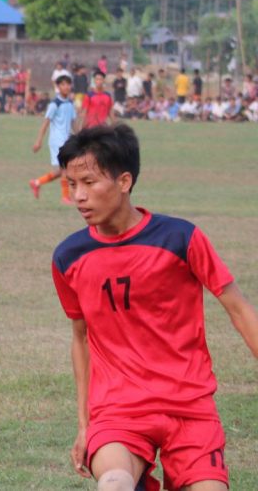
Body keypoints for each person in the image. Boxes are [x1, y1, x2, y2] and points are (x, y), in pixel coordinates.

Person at [52, 124, 258, 491]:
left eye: (89, 182)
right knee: (114, 483)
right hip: (119, 413)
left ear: (124, 181)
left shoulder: (181, 238)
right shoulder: (69, 257)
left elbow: (239, 309)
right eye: (72, 184)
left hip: (190, 409)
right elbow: (81, 340)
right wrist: (85, 426)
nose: (79, 196)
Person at [29, 74, 75, 204]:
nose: (66, 87)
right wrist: (39, 141)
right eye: (63, 84)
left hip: (66, 140)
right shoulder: (55, 104)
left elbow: (73, 122)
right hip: (57, 141)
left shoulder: (70, 104)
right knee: (66, 168)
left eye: (68, 84)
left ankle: (36, 182)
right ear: (58, 87)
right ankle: (65, 197)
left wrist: (82, 138)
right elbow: (46, 122)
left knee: (60, 171)